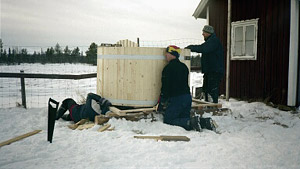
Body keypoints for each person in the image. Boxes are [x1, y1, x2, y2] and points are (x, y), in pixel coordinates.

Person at [158, 45, 216, 132]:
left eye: (167, 53)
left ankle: (191, 122)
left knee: (168, 120)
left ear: (172, 54)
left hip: (177, 99)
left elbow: (165, 87)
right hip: (187, 97)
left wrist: (162, 102)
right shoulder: (184, 67)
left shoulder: (168, 69)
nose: (165, 55)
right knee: (183, 118)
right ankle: (204, 122)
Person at [185, 25, 224, 103]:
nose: (202, 34)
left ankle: (212, 106)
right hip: (209, 71)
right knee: (206, 89)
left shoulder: (213, 41)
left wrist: (191, 47)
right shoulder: (210, 41)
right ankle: (208, 105)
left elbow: (203, 48)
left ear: (209, 33)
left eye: (204, 32)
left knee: (211, 90)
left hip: (214, 71)